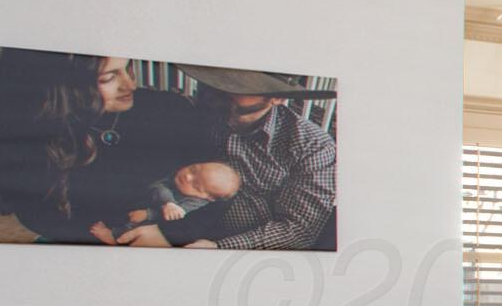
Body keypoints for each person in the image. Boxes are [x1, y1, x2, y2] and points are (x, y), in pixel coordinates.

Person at [0, 51, 208, 245]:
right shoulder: (29, 139)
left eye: (128, 68)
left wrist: (171, 234)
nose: (130, 85)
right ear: (61, 89)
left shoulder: (171, 111)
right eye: (108, 78)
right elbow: (39, 217)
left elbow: (216, 196)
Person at [116, 68, 338, 252]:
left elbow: (299, 230)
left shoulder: (312, 146)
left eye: (239, 85)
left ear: (277, 97)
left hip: (237, 249)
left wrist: (218, 247)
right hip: (170, 212)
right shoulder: (203, 112)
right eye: (217, 79)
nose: (218, 90)